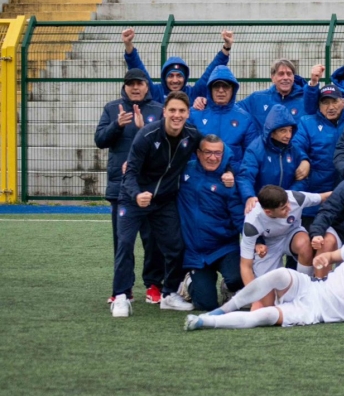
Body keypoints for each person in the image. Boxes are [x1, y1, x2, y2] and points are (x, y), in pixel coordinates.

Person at [185, 225, 344, 331]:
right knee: (280, 273)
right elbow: (331, 255)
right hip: (313, 288)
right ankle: (222, 310)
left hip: (318, 312)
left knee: (265, 316)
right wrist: (322, 259)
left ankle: (206, 322)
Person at [111, 91, 200, 317]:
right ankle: (121, 296)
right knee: (125, 243)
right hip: (133, 199)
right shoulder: (147, 135)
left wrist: (228, 170)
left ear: (188, 113)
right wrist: (136, 194)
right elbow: (129, 172)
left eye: (181, 111)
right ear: (164, 112)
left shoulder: (192, 135)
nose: (177, 115)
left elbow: (214, 149)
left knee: (175, 246)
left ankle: (169, 294)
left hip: (163, 201)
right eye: (172, 110)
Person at [95, 67, 165, 305]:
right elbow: (100, 140)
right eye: (130, 83)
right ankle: (122, 290)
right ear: (124, 86)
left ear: (147, 85)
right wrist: (117, 125)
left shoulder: (158, 110)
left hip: (148, 190)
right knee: (123, 242)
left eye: (139, 83)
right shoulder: (112, 108)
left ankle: (154, 285)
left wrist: (145, 128)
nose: (135, 87)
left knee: (152, 242)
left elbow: (163, 147)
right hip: (121, 189)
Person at [177, 135, 245, 311]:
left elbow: (238, 214)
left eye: (217, 153)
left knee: (239, 278)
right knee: (206, 305)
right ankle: (189, 282)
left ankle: (228, 287)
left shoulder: (229, 180)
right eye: (207, 152)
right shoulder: (184, 171)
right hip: (196, 252)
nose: (213, 157)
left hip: (225, 246)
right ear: (198, 153)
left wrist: (255, 240)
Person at [121, 27, 232, 105]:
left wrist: (227, 46)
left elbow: (211, 71)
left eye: (179, 75)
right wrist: (128, 45)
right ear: (164, 77)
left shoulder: (193, 93)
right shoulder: (155, 92)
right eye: (171, 76)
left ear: (185, 77)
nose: (175, 80)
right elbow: (138, 69)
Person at [238, 105, 311, 214]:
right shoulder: (256, 149)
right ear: (271, 132)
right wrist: (249, 197)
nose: (288, 135)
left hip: (287, 206)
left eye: (290, 131)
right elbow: (245, 177)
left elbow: (302, 178)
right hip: (262, 206)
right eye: (283, 131)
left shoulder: (293, 149)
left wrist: (288, 196)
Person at [293, 85, 344, 217]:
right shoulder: (307, 122)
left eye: (334, 101)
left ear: (343, 102)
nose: (330, 107)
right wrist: (303, 159)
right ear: (318, 104)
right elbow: (296, 145)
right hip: (314, 195)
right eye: (325, 102)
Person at [189, 65, 259, 165]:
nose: (221, 90)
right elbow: (185, 151)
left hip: (231, 177)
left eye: (225, 86)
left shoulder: (245, 119)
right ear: (210, 89)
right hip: (200, 177)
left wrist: (233, 172)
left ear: (233, 89)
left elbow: (251, 158)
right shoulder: (194, 114)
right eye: (217, 86)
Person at [237, 59, 308, 129]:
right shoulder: (257, 98)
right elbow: (232, 109)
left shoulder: (304, 100)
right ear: (273, 77)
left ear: (293, 77)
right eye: (281, 74)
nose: (286, 77)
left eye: (289, 74)